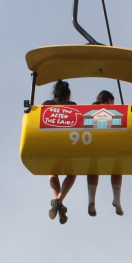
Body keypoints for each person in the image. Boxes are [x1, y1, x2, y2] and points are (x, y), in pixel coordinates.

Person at [42, 80, 76, 224]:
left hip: (50, 144)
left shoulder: (46, 105)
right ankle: (59, 200)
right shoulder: (72, 106)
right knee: (72, 173)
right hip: (67, 143)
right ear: (68, 95)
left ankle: (58, 202)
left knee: (52, 172)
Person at [87, 90, 124, 217]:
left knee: (93, 169)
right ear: (109, 100)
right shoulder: (112, 113)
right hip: (109, 143)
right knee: (117, 168)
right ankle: (117, 199)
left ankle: (91, 199)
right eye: (113, 102)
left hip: (92, 144)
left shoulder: (90, 110)